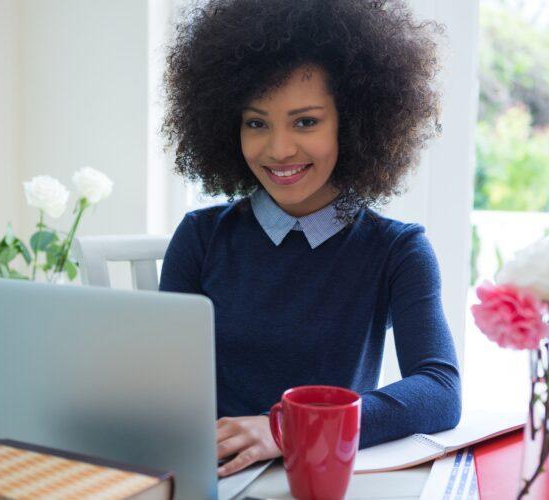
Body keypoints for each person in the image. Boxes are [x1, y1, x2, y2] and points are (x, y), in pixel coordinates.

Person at [159, 0, 461, 478]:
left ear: (356, 120)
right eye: (256, 123)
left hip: (321, 480)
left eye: (306, 122)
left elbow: (440, 391)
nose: (278, 149)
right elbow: (161, 380)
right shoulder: (200, 238)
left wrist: (284, 429)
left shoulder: (398, 251)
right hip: (217, 478)